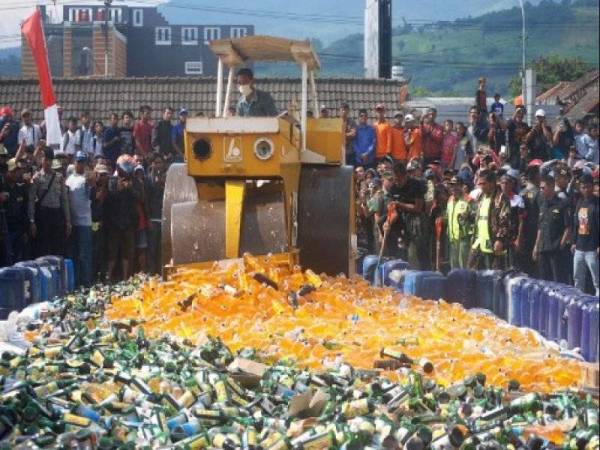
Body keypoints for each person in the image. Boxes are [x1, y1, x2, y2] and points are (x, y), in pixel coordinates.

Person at [28, 147, 71, 257]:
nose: (47, 162)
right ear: (41, 159)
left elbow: (64, 200)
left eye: (50, 159)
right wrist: (32, 221)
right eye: (45, 159)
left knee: (57, 248)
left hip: (56, 215)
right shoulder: (37, 177)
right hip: (43, 215)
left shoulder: (59, 177)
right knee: (43, 248)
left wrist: (68, 221)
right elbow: (31, 200)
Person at [387, 161, 428, 269]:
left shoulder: (415, 185)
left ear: (405, 176)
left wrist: (399, 204)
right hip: (401, 220)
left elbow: (418, 208)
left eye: (399, 179)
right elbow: (392, 208)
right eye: (395, 179)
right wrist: (388, 221)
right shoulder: (393, 188)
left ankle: (422, 270)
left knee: (415, 251)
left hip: (416, 219)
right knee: (383, 222)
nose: (397, 182)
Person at [468, 169, 512, 270]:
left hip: (493, 242)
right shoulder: (480, 196)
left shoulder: (501, 198)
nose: (481, 187)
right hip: (479, 241)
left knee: (494, 275)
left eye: (483, 184)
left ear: (492, 183)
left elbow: (505, 221)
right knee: (472, 272)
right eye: (479, 184)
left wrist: (500, 239)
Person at [104, 155, 138, 281]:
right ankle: (108, 276)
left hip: (128, 222)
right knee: (112, 251)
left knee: (126, 251)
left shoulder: (132, 182)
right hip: (114, 222)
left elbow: (139, 197)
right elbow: (108, 200)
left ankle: (125, 278)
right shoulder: (112, 181)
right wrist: (118, 191)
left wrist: (129, 189)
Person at [533, 174, 571, 283]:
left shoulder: (562, 204)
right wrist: (536, 246)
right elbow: (540, 227)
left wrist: (561, 245)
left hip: (556, 250)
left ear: (551, 187)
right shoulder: (543, 205)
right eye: (540, 188)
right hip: (543, 248)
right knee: (544, 280)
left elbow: (568, 227)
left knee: (558, 280)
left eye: (543, 187)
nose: (541, 190)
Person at [65, 151, 93, 287]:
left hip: (85, 223)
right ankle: (75, 282)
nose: (80, 164)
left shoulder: (87, 179)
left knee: (84, 255)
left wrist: (90, 178)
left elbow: (92, 187)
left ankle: (86, 282)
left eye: (83, 162)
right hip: (72, 223)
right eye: (79, 161)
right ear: (75, 162)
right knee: (74, 255)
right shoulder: (69, 179)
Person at [571, 173, 599, 295]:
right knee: (578, 279)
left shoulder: (597, 203)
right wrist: (573, 241)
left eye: (587, 186)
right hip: (579, 247)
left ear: (592, 186)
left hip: (593, 248)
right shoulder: (580, 202)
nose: (585, 189)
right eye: (583, 187)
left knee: (597, 281)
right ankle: (578, 306)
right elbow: (576, 224)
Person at [1, 158, 30, 264]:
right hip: (5, 231)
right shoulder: (2, 188)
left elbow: (24, 210)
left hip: (18, 229)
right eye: (12, 171)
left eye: (16, 171)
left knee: (18, 259)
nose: (14, 174)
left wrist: (25, 230)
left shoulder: (21, 189)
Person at [446, 175, 475, 269]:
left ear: (462, 186)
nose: (454, 187)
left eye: (456, 185)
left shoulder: (469, 200)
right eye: (452, 185)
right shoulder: (450, 199)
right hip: (452, 238)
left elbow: (475, 217)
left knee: (464, 266)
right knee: (454, 266)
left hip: (464, 238)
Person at [145, 153, 166, 275]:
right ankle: (152, 273)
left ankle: (161, 272)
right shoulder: (148, 180)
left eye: (160, 163)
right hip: (153, 218)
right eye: (156, 162)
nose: (158, 165)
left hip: (163, 218)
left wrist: (163, 184)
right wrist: (148, 219)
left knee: (162, 249)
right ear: (152, 164)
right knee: (152, 248)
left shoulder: (166, 178)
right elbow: (146, 200)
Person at [91, 162, 110, 281]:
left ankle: (103, 276)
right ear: (96, 174)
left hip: (105, 224)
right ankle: (93, 276)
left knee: (104, 251)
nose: (103, 177)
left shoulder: (109, 188)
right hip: (93, 224)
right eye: (101, 175)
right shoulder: (91, 188)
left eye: (105, 175)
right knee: (94, 251)